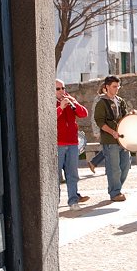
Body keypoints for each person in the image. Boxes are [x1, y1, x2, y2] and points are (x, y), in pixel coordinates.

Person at [93, 75, 132, 202]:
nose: (117, 89)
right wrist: (112, 132)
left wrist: (132, 115)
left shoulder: (120, 101)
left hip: (123, 140)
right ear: (107, 87)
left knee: (125, 166)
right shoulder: (101, 102)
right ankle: (115, 192)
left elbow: (124, 118)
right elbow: (100, 122)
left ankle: (117, 188)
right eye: (114, 86)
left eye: (118, 86)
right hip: (110, 141)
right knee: (113, 168)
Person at [56, 79, 90, 210]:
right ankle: (54, 202)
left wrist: (74, 103)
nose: (62, 91)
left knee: (72, 174)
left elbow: (84, 114)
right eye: (58, 89)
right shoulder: (49, 102)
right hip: (58, 144)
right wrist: (61, 108)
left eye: (63, 88)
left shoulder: (70, 100)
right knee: (56, 175)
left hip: (72, 143)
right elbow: (49, 117)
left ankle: (73, 201)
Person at [87, 83, 107, 174]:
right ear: (103, 89)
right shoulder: (99, 99)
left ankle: (94, 163)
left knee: (109, 148)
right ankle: (94, 162)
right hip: (102, 128)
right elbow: (94, 116)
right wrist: (96, 131)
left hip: (110, 129)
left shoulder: (112, 98)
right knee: (108, 148)